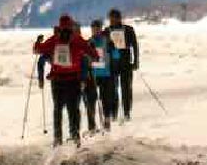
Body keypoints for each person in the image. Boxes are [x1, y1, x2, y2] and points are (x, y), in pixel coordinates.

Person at [34, 15, 98, 146]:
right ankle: (75, 137)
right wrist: (90, 51)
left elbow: (37, 50)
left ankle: (57, 139)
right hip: (73, 80)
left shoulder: (54, 39)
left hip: (57, 81)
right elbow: (95, 56)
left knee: (57, 109)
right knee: (73, 109)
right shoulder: (77, 39)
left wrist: (38, 41)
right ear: (70, 26)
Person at [106, 8, 139, 121]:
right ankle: (114, 113)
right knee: (112, 90)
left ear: (119, 18)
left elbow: (135, 46)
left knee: (126, 89)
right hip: (112, 65)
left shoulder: (128, 30)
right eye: (110, 18)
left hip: (126, 64)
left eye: (114, 18)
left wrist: (135, 62)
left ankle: (126, 112)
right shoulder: (107, 31)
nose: (112, 20)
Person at [89, 19, 113, 131]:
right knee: (92, 100)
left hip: (105, 74)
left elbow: (115, 54)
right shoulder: (89, 42)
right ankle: (92, 124)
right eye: (94, 29)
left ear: (100, 29)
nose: (95, 31)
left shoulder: (107, 41)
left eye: (97, 29)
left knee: (105, 98)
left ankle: (107, 120)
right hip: (93, 74)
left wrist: (116, 65)